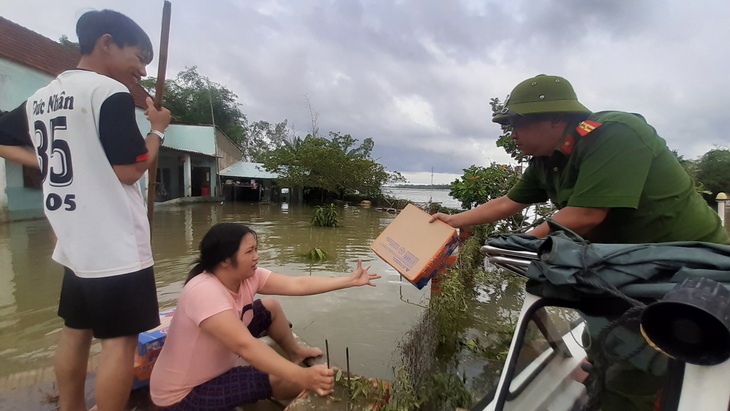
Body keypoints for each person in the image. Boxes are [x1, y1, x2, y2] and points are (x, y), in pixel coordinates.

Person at [431, 74, 729, 410]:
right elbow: (508, 203)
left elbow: (586, 215)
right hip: (619, 265)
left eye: (519, 122)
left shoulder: (615, 133)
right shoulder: (546, 159)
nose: (511, 133)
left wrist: (524, 242)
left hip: (686, 265)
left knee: (638, 360)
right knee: (600, 335)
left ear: (557, 118)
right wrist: (453, 220)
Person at [0, 10, 171, 411]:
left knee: (75, 331)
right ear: (106, 43)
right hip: (115, 243)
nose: (144, 69)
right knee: (119, 342)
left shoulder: (41, 98)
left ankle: (70, 407)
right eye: (139, 56)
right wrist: (158, 129)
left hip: (74, 243)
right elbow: (131, 169)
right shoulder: (107, 93)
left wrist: (46, 160)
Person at [150, 223, 381, 410]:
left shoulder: (248, 277)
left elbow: (297, 283)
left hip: (218, 356)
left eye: (256, 249)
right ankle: (291, 378)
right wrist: (304, 378)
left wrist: (349, 280)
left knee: (269, 307)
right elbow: (246, 346)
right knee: (283, 377)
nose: (256, 257)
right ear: (224, 260)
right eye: (249, 251)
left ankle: (295, 351)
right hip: (185, 395)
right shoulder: (204, 291)